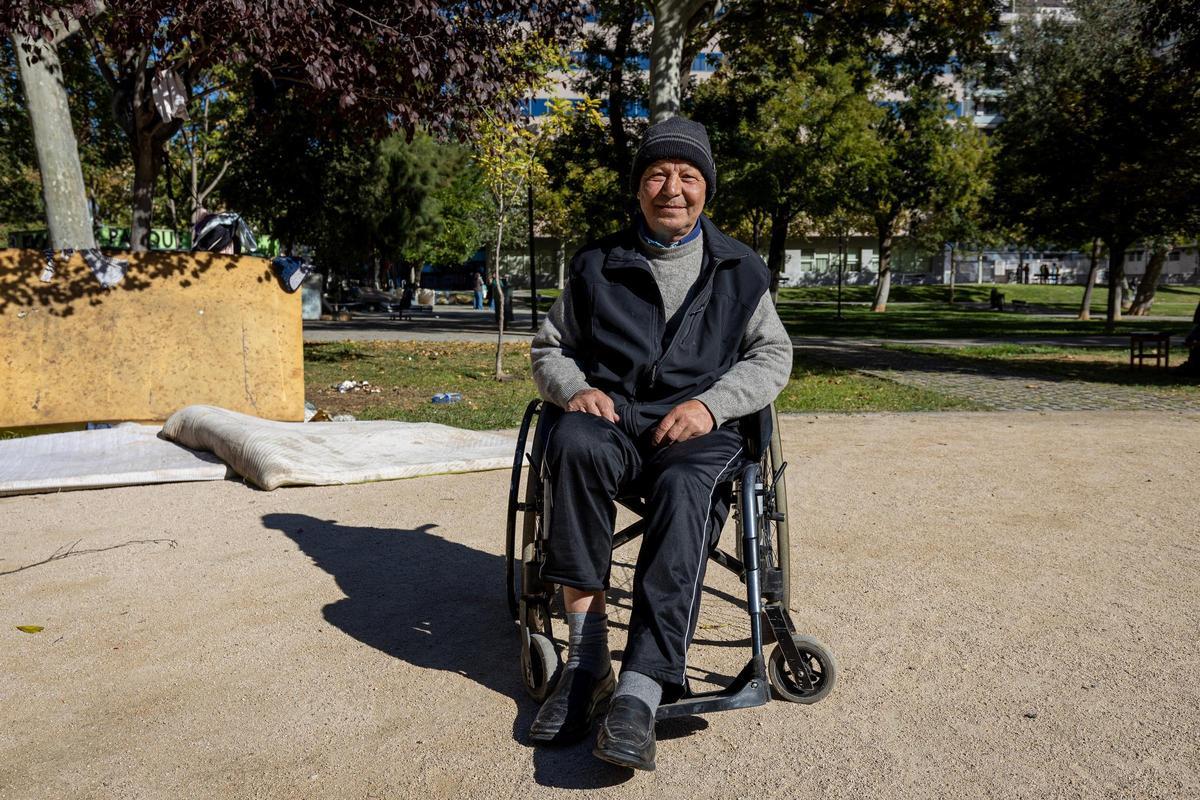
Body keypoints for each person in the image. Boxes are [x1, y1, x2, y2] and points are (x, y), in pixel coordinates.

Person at [528, 116, 792, 770]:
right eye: (657, 174)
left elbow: (771, 356)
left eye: (687, 176)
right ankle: (587, 666)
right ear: (639, 188)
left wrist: (711, 404)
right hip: (613, 418)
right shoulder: (595, 264)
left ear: (706, 189)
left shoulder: (740, 268)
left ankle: (642, 686)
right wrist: (571, 390)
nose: (672, 188)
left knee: (685, 484)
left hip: (694, 431)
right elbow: (549, 348)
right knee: (576, 444)